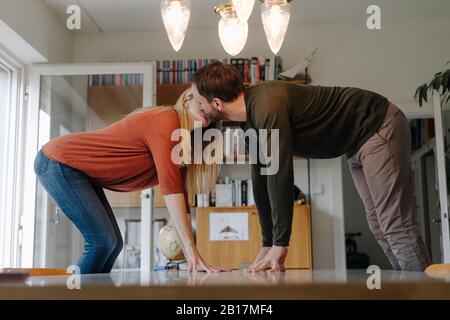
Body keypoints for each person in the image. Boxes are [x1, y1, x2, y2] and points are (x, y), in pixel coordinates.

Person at [188, 61, 431, 272]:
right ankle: (408, 288)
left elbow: (280, 172)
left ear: (217, 103)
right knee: (379, 224)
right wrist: (268, 242)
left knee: (394, 223)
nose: (196, 107)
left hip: (377, 124)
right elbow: (261, 178)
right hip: (356, 143)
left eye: (198, 102)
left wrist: (281, 244)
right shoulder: (248, 123)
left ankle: (426, 293)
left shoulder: (266, 104)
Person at [34, 89, 229, 274]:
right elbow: (170, 189)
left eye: (212, 117)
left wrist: (193, 257)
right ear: (187, 99)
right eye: (203, 108)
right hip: (59, 161)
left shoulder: (182, 143)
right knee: (102, 241)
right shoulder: (167, 120)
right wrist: (191, 252)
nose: (206, 118)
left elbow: (181, 195)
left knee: (113, 243)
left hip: (77, 171)